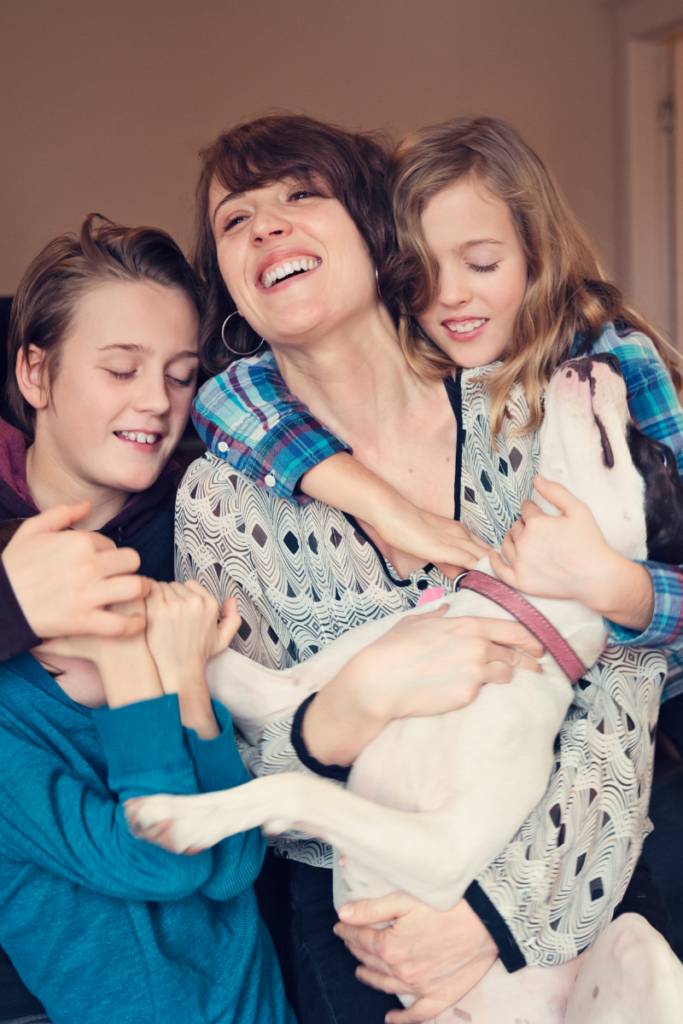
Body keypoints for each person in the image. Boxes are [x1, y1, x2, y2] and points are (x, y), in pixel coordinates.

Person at [178, 114, 683, 1023]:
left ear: (379, 235)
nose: (265, 226)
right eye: (234, 219)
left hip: (578, 862)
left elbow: (626, 676)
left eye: (300, 195)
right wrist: (342, 712)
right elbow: (218, 747)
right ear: (227, 284)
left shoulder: (531, 398)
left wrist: (503, 912)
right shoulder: (219, 497)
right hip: (368, 922)